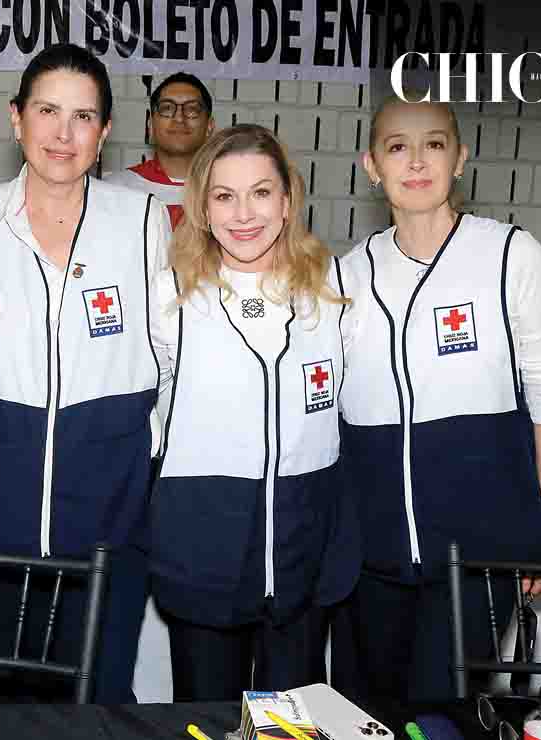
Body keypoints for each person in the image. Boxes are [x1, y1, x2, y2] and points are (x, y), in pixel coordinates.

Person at [0, 43, 171, 703]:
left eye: (82, 116)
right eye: (47, 110)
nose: (62, 133)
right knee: (5, 705)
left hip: (109, 519)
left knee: (99, 703)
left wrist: (141, 449)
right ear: (17, 119)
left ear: (103, 133)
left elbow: (170, 351)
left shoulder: (143, 220)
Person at [335, 94, 541, 702]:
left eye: (434, 144)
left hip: (478, 554)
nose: (416, 161)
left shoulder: (510, 255)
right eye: (397, 146)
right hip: (371, 556)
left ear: (460, 157)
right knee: (369, 712)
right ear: (371, 165)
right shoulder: (345, 274)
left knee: (446, 715)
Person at [149, 125, 357, 700]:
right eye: (224, 196)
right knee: (208, 722)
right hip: (204, 559)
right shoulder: (168, 300)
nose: (244, 214)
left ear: (288, 201)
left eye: (261, 193)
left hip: (306, 560)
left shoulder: (335, 292)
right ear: (202, 209)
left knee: (294, 728)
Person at [105, 72, 215, 228]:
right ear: (150, 125)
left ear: (209, 126)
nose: (179, 118)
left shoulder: (231, 189)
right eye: (167, 108)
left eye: (192, 109)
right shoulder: (116, 189)